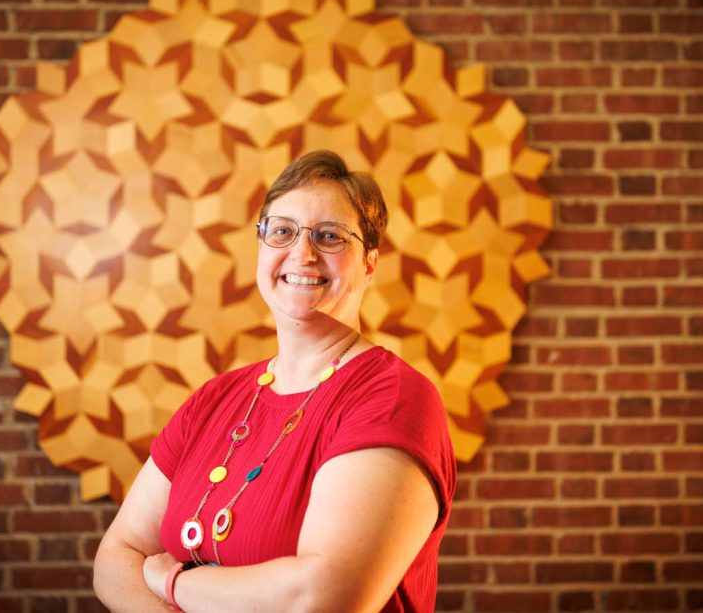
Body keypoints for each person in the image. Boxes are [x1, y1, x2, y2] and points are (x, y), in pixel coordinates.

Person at [93, 149, 456, 612]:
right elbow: (113, 559)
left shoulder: (393, 398)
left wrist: (174, 583)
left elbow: (326, 597)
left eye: (329, 236)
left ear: (369, 264)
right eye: (282, 231)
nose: (301, 253)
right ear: (261, 249)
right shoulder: (215, 399)